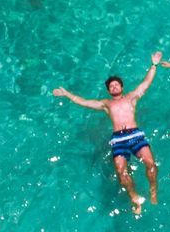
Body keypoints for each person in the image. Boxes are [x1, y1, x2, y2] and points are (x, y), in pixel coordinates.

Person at [54, 52, 161, 214]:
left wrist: (154, 65)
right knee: (121, 172)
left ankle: (153, 190)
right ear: (109, 91)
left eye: (117, 85)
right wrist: (67, 94)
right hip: (118, 139)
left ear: (122, 87)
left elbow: (146, 83)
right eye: (111, 86)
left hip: (135, 135)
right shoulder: (106, 104)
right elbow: (84, 102)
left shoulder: (131, 97)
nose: (114, 87)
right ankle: (134, 197)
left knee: (150, 164)